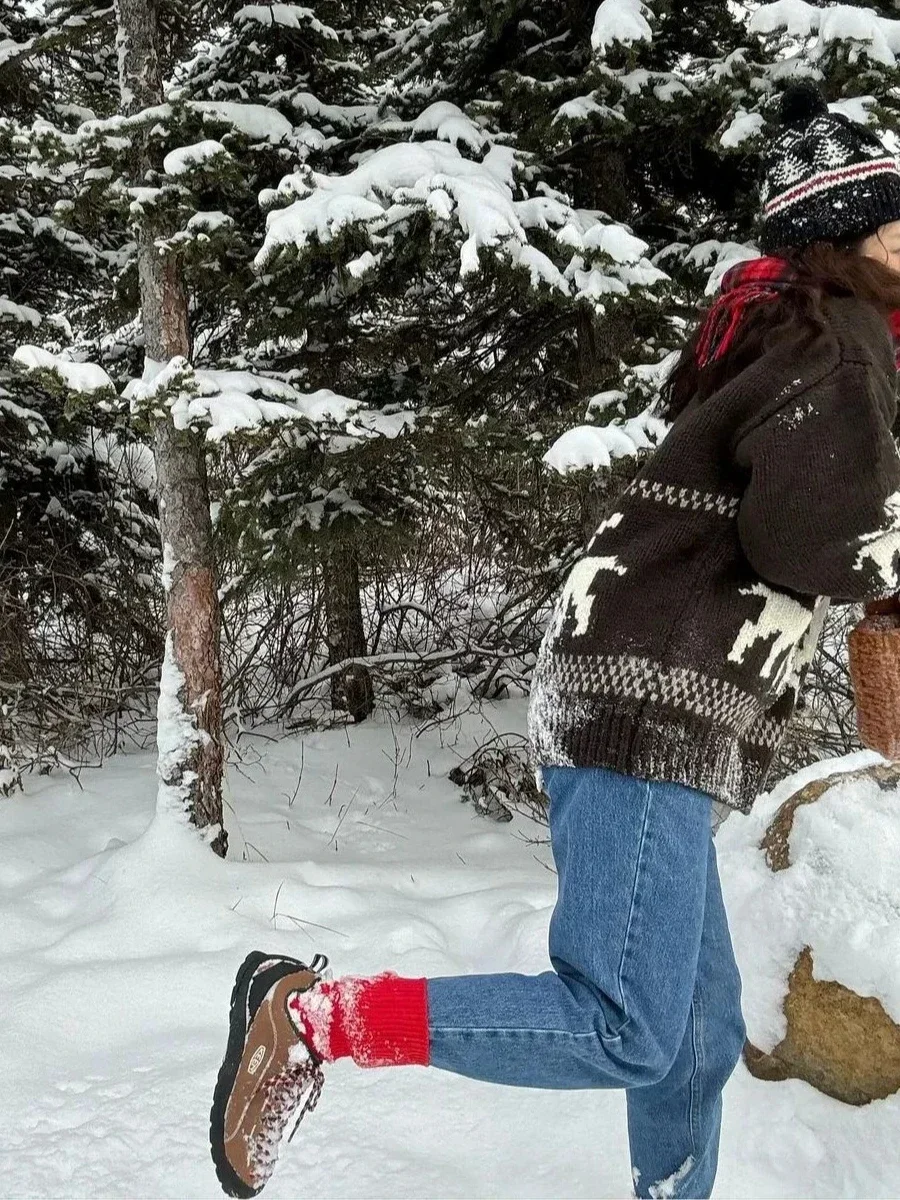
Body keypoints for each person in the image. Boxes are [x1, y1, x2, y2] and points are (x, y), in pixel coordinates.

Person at [209, 83, 900, 1200]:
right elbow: (813, 540)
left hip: (635, 691)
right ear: (854, 237)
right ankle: (315, 1018)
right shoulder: (838, 343)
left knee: (693, 1030)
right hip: (644, 702)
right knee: (628, 1024)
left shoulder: (788, 337)